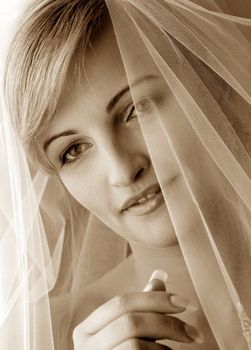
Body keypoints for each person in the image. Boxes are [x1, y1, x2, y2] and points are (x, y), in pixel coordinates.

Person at [1, 0, 251, 349]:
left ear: (208, 85)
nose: (122, 170)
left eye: (136, 108)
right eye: (73, 150)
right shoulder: (39, 337)